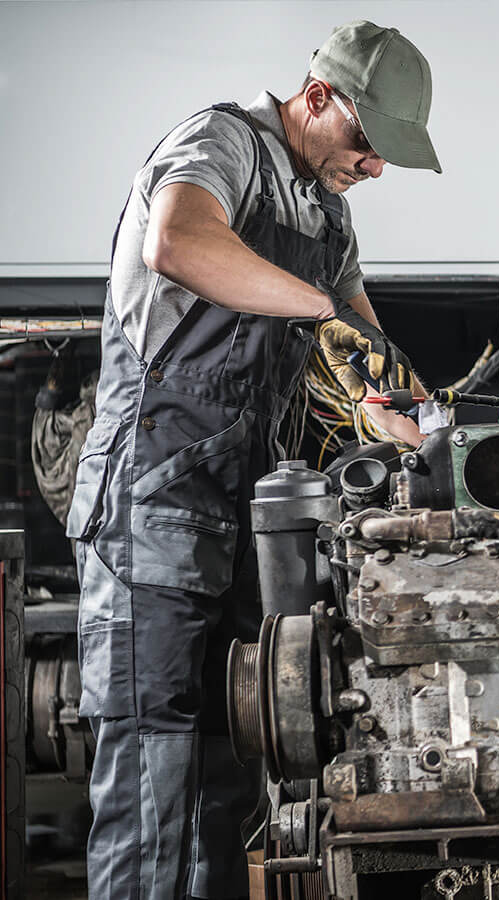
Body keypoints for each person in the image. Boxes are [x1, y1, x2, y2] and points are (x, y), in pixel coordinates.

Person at [65, 20, 439, 899]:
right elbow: (180, 244)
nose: (373, 166)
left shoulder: (326, 214)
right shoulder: (219, 143)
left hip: (246, 525)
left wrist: (432, 430)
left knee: (230, 778)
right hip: (149, 513)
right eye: (368, 142)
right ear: (317, 99)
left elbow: (369, 363)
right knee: (154, 781)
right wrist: (316, 310)